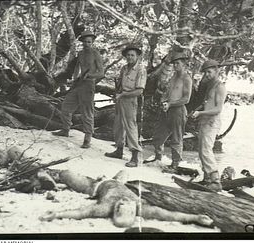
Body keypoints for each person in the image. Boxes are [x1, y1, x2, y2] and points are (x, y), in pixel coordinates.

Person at [39, 169, 214, 228]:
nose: (122, 202)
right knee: (125, 172)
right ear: (132, 210)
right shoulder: (140, 206)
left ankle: (47, 176)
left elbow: (81, 212)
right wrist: (196, 218)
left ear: (114, 211)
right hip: (119, 181)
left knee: (66, 174)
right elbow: (169, 215)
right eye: (124, 205)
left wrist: (56, 214)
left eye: (119, 207)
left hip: (94, 186)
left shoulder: (104, 208)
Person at [53, 31, 104, 149]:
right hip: (79, 84)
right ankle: (65, 129)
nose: (87, 44)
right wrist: (74, 79)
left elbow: (101, 73)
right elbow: (77, 68)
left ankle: (87, 139)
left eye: (89, 42)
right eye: (85, 42)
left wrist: (90, 76)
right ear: (82, 43)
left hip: (89, 85)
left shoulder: (96, 54)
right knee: (66, 106)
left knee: (87, 111)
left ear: (92, 43)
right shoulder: (80, 54)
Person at [147, 53, 192, 170]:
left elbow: (186, 99)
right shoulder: (173, 77)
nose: (175, 66)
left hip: (178, 111)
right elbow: (168, 93)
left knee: (176, 138)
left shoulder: (186, 78)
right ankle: (158, 158)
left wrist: (171, 103)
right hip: (167, 110)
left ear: (184, 64)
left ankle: (175, 164)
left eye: (178, 63)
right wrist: (163, 100)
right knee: (158, 136)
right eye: (174, 63)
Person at [104, 44, 147, 167]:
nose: (130, 57)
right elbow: (120, 85)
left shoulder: (141, 70)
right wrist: (117, 94)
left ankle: (134, 157)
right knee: (118, 125)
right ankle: (119, 150)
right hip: (120, 99)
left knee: (130, 126)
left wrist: (123, 95)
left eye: (132, 55)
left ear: (137, 56)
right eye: (128, 55)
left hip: (131, 101)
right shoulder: (124, 68)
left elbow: (139, 90)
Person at [191, 60, 227, 192]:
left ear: (217, 71)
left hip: (212, 122)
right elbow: (207, 103)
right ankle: (207, 179)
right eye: (205, 72)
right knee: (201, 150)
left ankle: (216, 181)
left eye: (209, 72)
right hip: (204, 121)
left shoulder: (220, 87)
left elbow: (218, 109)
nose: (207, 74)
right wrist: (197, 110)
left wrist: (200, 112)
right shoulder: (210, 86)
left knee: (206, 150)